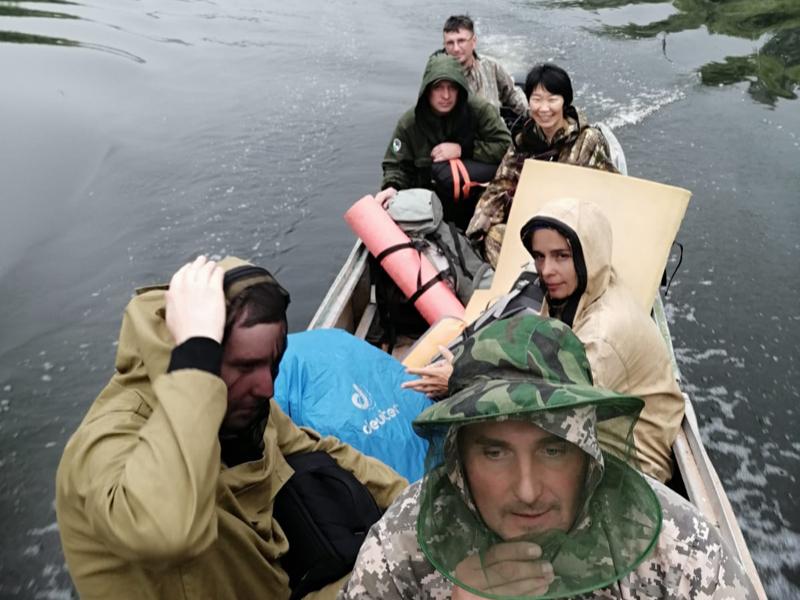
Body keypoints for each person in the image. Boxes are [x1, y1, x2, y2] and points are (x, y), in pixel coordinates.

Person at [55, 256, 407, 600]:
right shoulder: (103, 446)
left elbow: (316, 450)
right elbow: (167, 530)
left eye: (272, 363)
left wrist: (410, 500)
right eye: (245, 366)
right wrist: (196, 359)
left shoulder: (245, 409)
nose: (266, 387)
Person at [340, 314, 756, 600]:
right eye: (495, 451)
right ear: (459, 459)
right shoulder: (401, 544)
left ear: (588, 456)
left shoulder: (678, 546)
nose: (527, 491)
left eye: (553, 449)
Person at [404, 198, 684, 483]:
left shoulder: (603, 335)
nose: (546, 270)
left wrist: (462, 380)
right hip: (593, 428)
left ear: (590, 256)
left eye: (561, 256)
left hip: (633, 465)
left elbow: (550, 413)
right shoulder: (582, 290)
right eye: (539, 256)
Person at [466, 63, 618, 267]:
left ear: (565, 102)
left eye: (552, 99)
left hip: (575, 231)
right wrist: (477, 229)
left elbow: (610, 191)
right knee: (494, 236)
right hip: (535, 228)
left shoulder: (588, 140)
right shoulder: (522, 143)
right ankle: (525, 286)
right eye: (536, 100)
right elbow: (499, 186)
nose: (544, 108)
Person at [379, 53, 511, 230]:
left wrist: (464, 150)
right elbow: (396, 165)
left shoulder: (479, 111)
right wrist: (391, 186)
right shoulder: (410, 123)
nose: (446, 95)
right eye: (438, 88)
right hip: (427, 206)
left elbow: (506, 147)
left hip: (476, 203)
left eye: (452, 88)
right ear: (427, 90)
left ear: (460, 89)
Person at [439, 14, 529, 121]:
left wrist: (532, 114)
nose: (456, 48)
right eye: (450, 43)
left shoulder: (491, 66)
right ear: (444, 45)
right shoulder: (438, 77)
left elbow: (512, 93)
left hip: (496, 133)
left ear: (473, 41)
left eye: (461, 41)